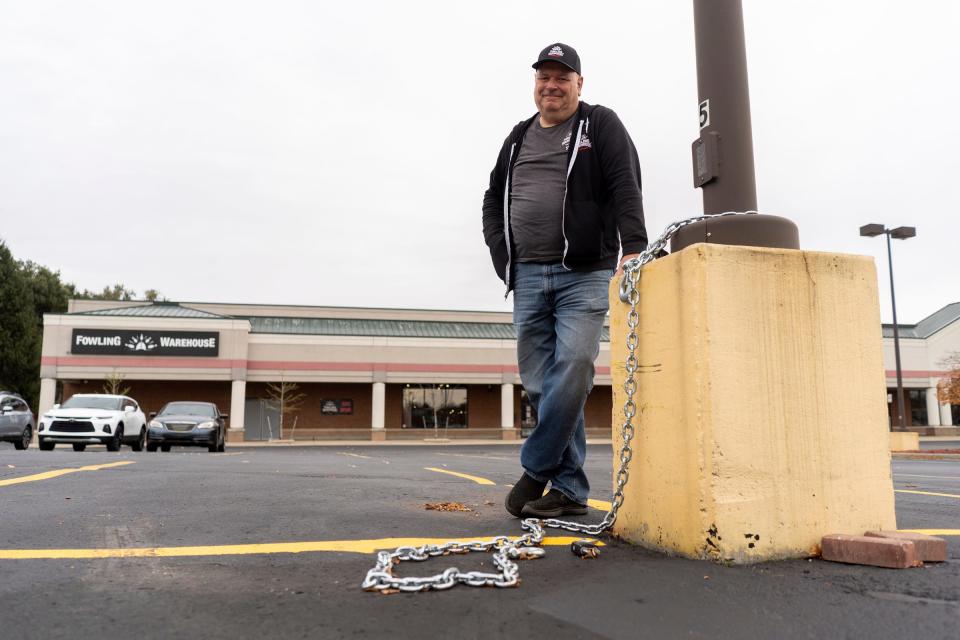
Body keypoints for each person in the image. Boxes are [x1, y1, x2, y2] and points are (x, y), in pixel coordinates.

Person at [482, 43, 648, 518]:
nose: (551, 86)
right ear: (535, 85)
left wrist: (633, 246)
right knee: (539, 384)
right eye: (544, 78)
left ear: (579, 84)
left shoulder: (599, 125)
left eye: (562, 77)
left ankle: (536, 470)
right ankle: (570, 490)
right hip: (528, 274)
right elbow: (493, 197)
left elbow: (624, 185)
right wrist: (502, 252)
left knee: (573, 365)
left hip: (584, 272)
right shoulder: (518, 136)